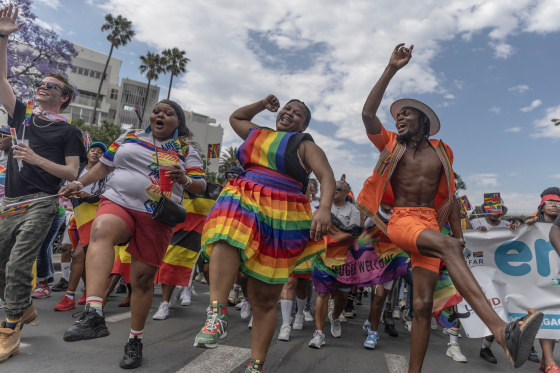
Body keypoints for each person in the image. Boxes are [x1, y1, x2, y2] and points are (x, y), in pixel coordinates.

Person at [356, 42, 542, 372]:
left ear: (423, 121)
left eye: (406, 113)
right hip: (402, 219)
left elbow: (452, 197)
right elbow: (368, 114)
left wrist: (459, 235)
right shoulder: (388, 143)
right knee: (444, 247)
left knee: (423, 304)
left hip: (430, 221)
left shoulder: (443, 150)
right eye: (397, 114)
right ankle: (502, 332)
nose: (399, 117)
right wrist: (391, 68)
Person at [59, 99, 206, 369]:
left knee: (142, 281)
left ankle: (135, 340)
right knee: (101, 230)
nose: (160, 115)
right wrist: (80, 182)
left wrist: (184, 179)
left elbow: (200, 185)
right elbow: (104, 166)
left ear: (178, 122)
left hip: (157, 215)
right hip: (118, 201)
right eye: (156, 111)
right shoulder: (129, 136)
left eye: (168, 113)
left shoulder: (185, 149)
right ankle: (93, 313)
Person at [194, 94, 335, 373]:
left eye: (297, 114)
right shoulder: (258, 133)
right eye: (287, 108)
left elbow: (326, 176)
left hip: (283, 212)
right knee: (225, 232)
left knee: (264, 299)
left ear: (303, 124)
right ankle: (217, 313)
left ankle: (255, 366)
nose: (289, 113)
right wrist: (261, 104)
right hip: (245, 193)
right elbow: (236, 118)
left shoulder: (304, 144)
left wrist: (325, 209)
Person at [0, 5, 86, 363]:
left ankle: (10, 328)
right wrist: (3, 37)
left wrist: (35, 159)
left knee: (20, 264)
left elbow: (71, 174)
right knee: (2, 264)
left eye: (51, 86)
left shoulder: (69, 131)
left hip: (43, 201)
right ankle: (24, 310)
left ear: (63, 97)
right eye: (41, 84)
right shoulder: (22, 117)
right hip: (11, 202)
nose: (43, 87)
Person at [54, 141, 109, 312]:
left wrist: (89, 196)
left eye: (100, 152)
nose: (95, 153)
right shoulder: (77, 170)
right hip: (77, 216)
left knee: (78, 255)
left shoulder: (108, 173)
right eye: (93, 150)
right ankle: (88, 291)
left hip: (96, 218)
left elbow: (109, 196)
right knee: (79, 255)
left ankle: (69, 296)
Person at [308, 179, 361, 348]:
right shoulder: (324, 207)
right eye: (334, 187)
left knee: (343, 296)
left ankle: (335, 317)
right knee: (322, 293)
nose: (335, 190)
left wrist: (333, 235)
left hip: (345, 258)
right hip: (323, 257)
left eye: (340, 188)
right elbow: (315, 225)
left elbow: (352, 233)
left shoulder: (353, 210)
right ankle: (318, 333)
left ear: (346, 193)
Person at [526, 189, 560, 373]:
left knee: (555, 317)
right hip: (537, 280)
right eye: (551, 202)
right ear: (542, 206)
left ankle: (545, 361)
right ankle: (549, 362)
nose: (555, 205)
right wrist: (522, 225)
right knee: (544, 315)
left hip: (557, 279)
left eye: (558, 202)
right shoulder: (532, 225)